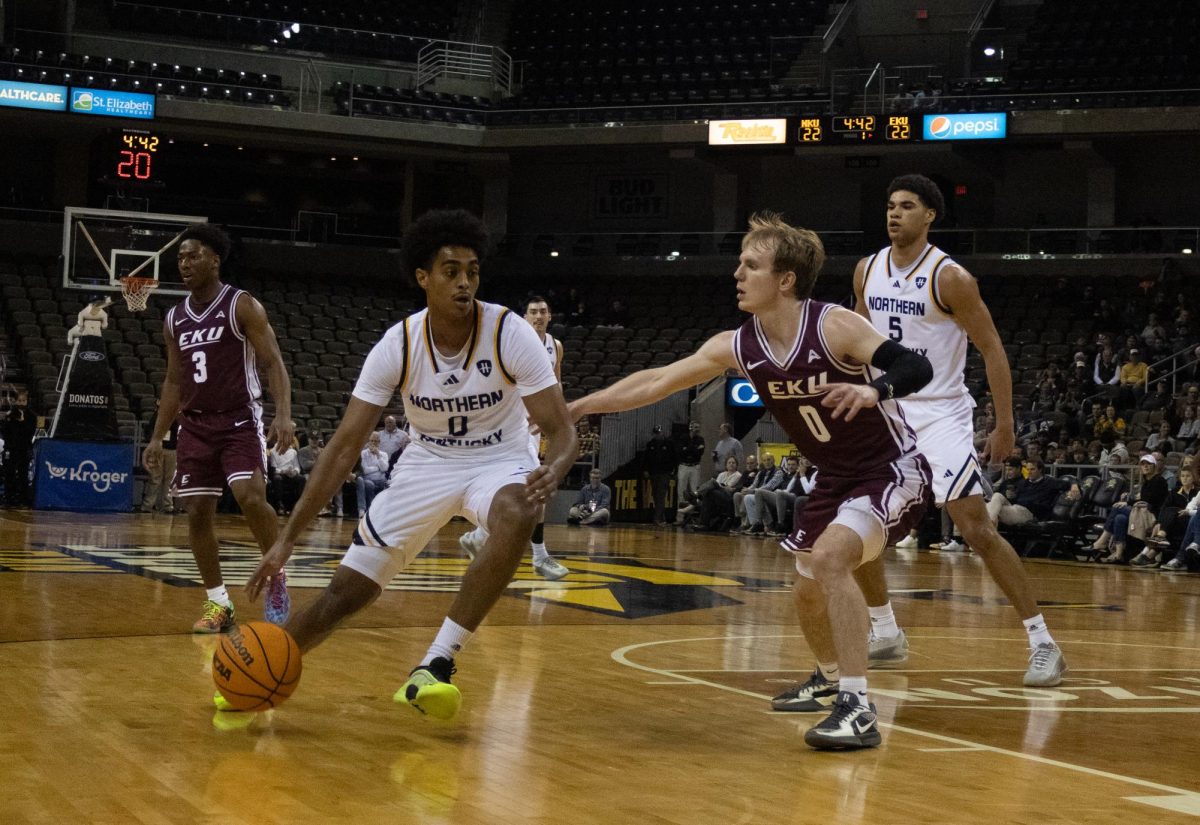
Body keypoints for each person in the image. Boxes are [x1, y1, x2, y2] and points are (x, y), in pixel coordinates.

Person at [567, 211, 933, 751]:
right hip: (832, 478)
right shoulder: (740, 345)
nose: (737, 273)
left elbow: (914, 366)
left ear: (785, 280)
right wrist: (578, 406)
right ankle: (829, 678)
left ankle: (858, 706)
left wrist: (873, 391)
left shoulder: (834, 326)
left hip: (889, 469)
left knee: (831, 560)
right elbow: (657, 381)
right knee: (806, 588)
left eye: (750, 264)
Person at [245, 209, 576, 722]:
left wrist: (553, 467)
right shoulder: (397, 344)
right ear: (423, 278)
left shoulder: (510, 331)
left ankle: (437, 663)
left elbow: (562, 430)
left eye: (472, 271)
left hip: (500, 460)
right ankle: (263, 673)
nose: (464, 282)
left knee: (518, 510)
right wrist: (288, 539)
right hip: (427, 465)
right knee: (344, 594)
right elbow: (343, 446)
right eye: (450, 271)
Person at [849, 174, 1067, 687]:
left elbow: (992, 347)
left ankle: (1043, 642)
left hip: (941, 411)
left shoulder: (951, 278)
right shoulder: (867, 269)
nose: (894, 213)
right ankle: (884, 630)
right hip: (888, 410)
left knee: (975, 528)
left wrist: (1005, 423)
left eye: (906, 206)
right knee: (856, 521)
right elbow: (855, 337)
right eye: (889, 205)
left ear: (930, 216)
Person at [143, 223, 294, 633]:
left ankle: (276, 577)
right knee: (196, 512)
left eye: (193, 256)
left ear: (215, 259)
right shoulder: (174, 318)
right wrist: (158, 436)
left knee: (249, 495)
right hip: (194, 425)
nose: (185, 264)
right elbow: (174, 381)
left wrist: (283, 414)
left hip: (239, 418)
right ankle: (218, 604)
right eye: (180, 258)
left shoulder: (242, 305)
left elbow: (273, 362)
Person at [459, 295, 569, 580]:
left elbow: (556, 386)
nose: (539, 316)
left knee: (531, 487)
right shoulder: (514, 341)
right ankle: (540, 557)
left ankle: (480, 536)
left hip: (534, 424)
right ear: (525, 316)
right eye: (533, 311)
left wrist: (556, 419)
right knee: (535, 485)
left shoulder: (555, 346)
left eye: (543, 311)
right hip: (511, 422)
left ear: (550, 316)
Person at [1092, 454, 1169, 564]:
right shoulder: (1146, 482)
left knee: (1117, 508)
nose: (1145, 466)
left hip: (1152, 515)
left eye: (1149, 464)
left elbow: (1149, 501)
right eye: (1143, 464)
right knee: (1120, 518)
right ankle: (1118, 553)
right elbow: (1143, 500)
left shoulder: (1159, 480)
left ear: (1154, 466)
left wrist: (1128, 502)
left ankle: (1102, 540)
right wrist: (1130, 501)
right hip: (1140, 512)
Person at [984, 459, 1061, 526]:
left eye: (1032, 469)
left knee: (989, 510)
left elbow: (1067, 484)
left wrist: (1073, 487)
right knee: (997, 496)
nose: (1029, 472)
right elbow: (1015, 500)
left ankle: (988, 528)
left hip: (1029, 513)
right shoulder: (1024, 483)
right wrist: (1013, 496)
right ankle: (991, 525)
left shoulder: (1049, 481)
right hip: (1015, 508)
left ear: (1040, 470)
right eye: (1028, 469)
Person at [1, 389, 35, 507]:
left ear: (27, 401)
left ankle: (23, 499)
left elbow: (29, 434)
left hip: (24, 450)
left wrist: (22, 422)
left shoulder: (31, 416)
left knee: (22, 475)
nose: (21, 403)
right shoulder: (10, 415)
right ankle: (9, 499)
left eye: (23, 401)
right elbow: (5, 433)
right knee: (9, 474)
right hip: (10, 449)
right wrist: (7, 419)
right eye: (19, 400)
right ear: (15, 401)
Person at [643, 425, 677, 525]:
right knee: (655, 494)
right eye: (656, 433)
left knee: (661, 495)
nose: (658, 435)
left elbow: (674, 457)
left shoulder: (669, 444)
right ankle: (662, 517)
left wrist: (673, 470)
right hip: (654, 473)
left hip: (664, 473)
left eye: (659, 433)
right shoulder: (650, 444)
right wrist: (646, 469)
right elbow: (647, 458)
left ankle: (657, 518)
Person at [676, 421, 705, 505]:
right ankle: (680, 514)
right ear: (690, 428)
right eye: (696, 427)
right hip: (684, 466)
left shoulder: (700, 439)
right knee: (681, 490)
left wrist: (687, 449)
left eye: (698, 427)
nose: (698, 429)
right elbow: (680, 452)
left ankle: (693, 513)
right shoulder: (683, 438)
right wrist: (694, 448)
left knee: (695, 490)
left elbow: (700, 453)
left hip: (695, 466)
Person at [359, 431, 390, 506]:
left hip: (381, 480)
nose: (373, 443)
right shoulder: (363, 453)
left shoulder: (384, 454)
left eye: (375, 441)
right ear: (368, 441)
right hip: (368, 479)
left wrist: (378, 455)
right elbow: (365, 470)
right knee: (370, 485)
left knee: (388, 484)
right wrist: (378, 468)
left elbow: (385, 469)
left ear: (379, 442)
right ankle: (371, 508)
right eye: (371, 441)